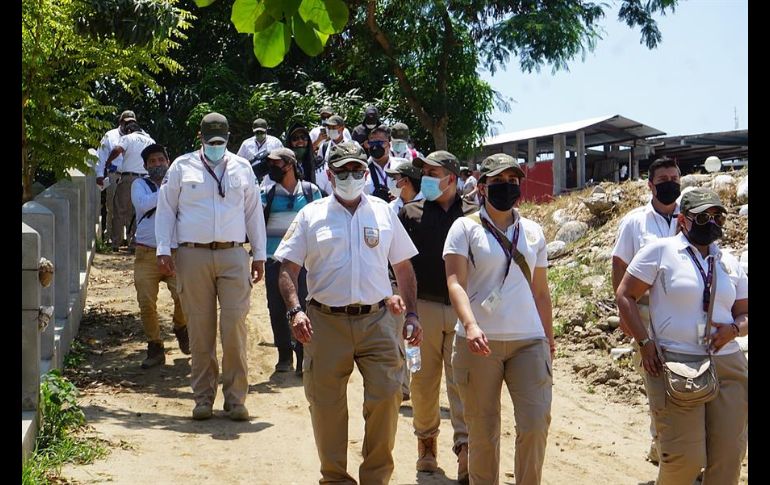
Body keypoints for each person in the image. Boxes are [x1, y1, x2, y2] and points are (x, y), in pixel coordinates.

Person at [274, 142, 422, 484]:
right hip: (325, 323)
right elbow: (287, 270)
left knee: (387, 398)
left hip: (378, 321)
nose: (351, 177)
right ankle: (335, 478)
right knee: (326, 406)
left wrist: (411, 314)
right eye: (342, 172)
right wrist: (295, 310)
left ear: (366, 173)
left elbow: (403, 267)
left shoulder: (384, 212)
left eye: (357, 170)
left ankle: (375, 477)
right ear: (330, 175)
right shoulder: (311, 215)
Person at [616, 187, 748, 485]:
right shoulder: (660, 252)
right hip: (678, 366)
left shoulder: (729, 261)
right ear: (683, 220)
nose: (711, 222)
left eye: (717, 216)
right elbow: (625, 295)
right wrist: (645, 343)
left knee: (727, 459)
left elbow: (745, 313)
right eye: (702, 217)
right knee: (684, 461)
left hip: (728, 366)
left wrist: (734, 330)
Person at [444, 153, 554, 485]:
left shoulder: (533, 231)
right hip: (478, 343)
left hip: (529, 342)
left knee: (535, 425)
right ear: (481, 187)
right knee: (483, 431)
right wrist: (472, 324)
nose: (506, 188)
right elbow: (455, 284)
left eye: (512, 182)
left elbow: (542, 293)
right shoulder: (464, 228)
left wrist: (549, 340)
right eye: (498, 182)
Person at [155, 112, 267, 421]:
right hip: (193, 255)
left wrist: (259, 254)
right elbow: (166, 209)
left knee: (234, 326)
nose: (216, 145)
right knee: (200, 328)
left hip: (233, 254)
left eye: (221, 140)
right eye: (211, 140)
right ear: (200, 138)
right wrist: (164, 248)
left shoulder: (242, 168)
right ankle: (202, 398)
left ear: (229, 137)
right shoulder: (181, 166)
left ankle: (235, 399)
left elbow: (253, 212)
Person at [399, 150, 477, 480]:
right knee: (421, 381)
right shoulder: (410, 213)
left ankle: (465, 450)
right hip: (422, 312)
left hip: (464, 312)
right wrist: (405, 308)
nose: (426, 178)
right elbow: (398, 264)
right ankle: (426, 444)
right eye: (424, 172)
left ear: (452, 177)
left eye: (433, 172)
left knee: (465, 383)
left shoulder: (475, 215)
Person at [611, 156, 681, 464]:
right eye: (663, 180)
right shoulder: (635, 222)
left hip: (685, 314)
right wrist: (626, 313)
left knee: (685, 380)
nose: (670, 184)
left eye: (674, 179)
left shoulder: (691, 217)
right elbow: (619, 264)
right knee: (655, 378)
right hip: (646, 312)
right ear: (650, 185)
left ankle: (671, 446)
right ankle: (663, 445)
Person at [262, 147, 323, 375]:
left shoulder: (310, 191)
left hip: (303, 261)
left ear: (289, 164)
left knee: (304, 306)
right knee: (276, 307)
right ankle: (284, 356)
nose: (272, 168)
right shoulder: (266, 192)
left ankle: (302, 356)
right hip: (273, 258)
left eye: (276, 163)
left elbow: (320, 222)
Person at [130, 143, 189, 368]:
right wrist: (168, 189)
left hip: (176, 252)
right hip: (146, 253)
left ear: (168, 161)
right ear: (145, 166)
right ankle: (155, 346)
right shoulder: (139, 184)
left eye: (160, 160)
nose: (157, 164)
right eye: (152, 161)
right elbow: (144, 205)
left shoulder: (180, 184)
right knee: (146, 302)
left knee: (183, 296)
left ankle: (181, 326)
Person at [104, 120, 155, 252]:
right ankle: (135, 243)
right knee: (140, 211)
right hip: (146, 179)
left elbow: (117, 149)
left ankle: (116, 243)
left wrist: (108, 161)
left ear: (128, 130)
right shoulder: (150, 141)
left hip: (128, 178)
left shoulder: (128, 138)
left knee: (120, 210)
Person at [96, 110, 134, 245]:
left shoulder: (139, 136)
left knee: (131, 209)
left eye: (131, 122)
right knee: (112, 207)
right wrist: (100, 175)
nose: (128, 124)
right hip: (114, 175)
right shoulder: (110, 136)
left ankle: (131, 241)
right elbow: (101, 156)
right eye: (126, 122)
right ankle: (110, 239)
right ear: (121, 122)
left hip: (132, 177)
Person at [364, 125, 396, 202]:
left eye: (380, 143)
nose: (375, 147)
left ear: (389, 144)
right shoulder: (362, 170)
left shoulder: (400, 166)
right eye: (372, 143)